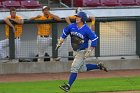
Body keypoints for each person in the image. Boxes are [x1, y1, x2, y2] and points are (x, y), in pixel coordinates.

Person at [57, 12, 108, 92]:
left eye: (79, 17)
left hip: (82, 51)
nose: (76, 18)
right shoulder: (72, 26)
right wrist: (61, 40)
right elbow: (65, 31)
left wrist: (90, 50)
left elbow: (95, 39)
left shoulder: (87, 29)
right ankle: (99, 66)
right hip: (75, 51)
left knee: (74, 67)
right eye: (76, 16)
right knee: (82, 68)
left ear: (83, 19)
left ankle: (68, 86)